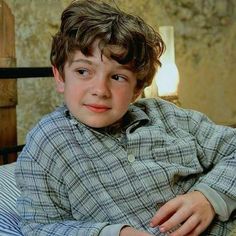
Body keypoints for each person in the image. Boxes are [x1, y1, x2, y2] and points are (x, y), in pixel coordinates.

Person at [15, 0, 236, 235]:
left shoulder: (167, 116)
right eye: (83, 71)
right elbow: (39, 226)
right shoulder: (47, 143)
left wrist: (208, 197)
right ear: (60, 77)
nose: (100, 90)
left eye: (118, 77)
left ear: (137, 89)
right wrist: (114, 233)